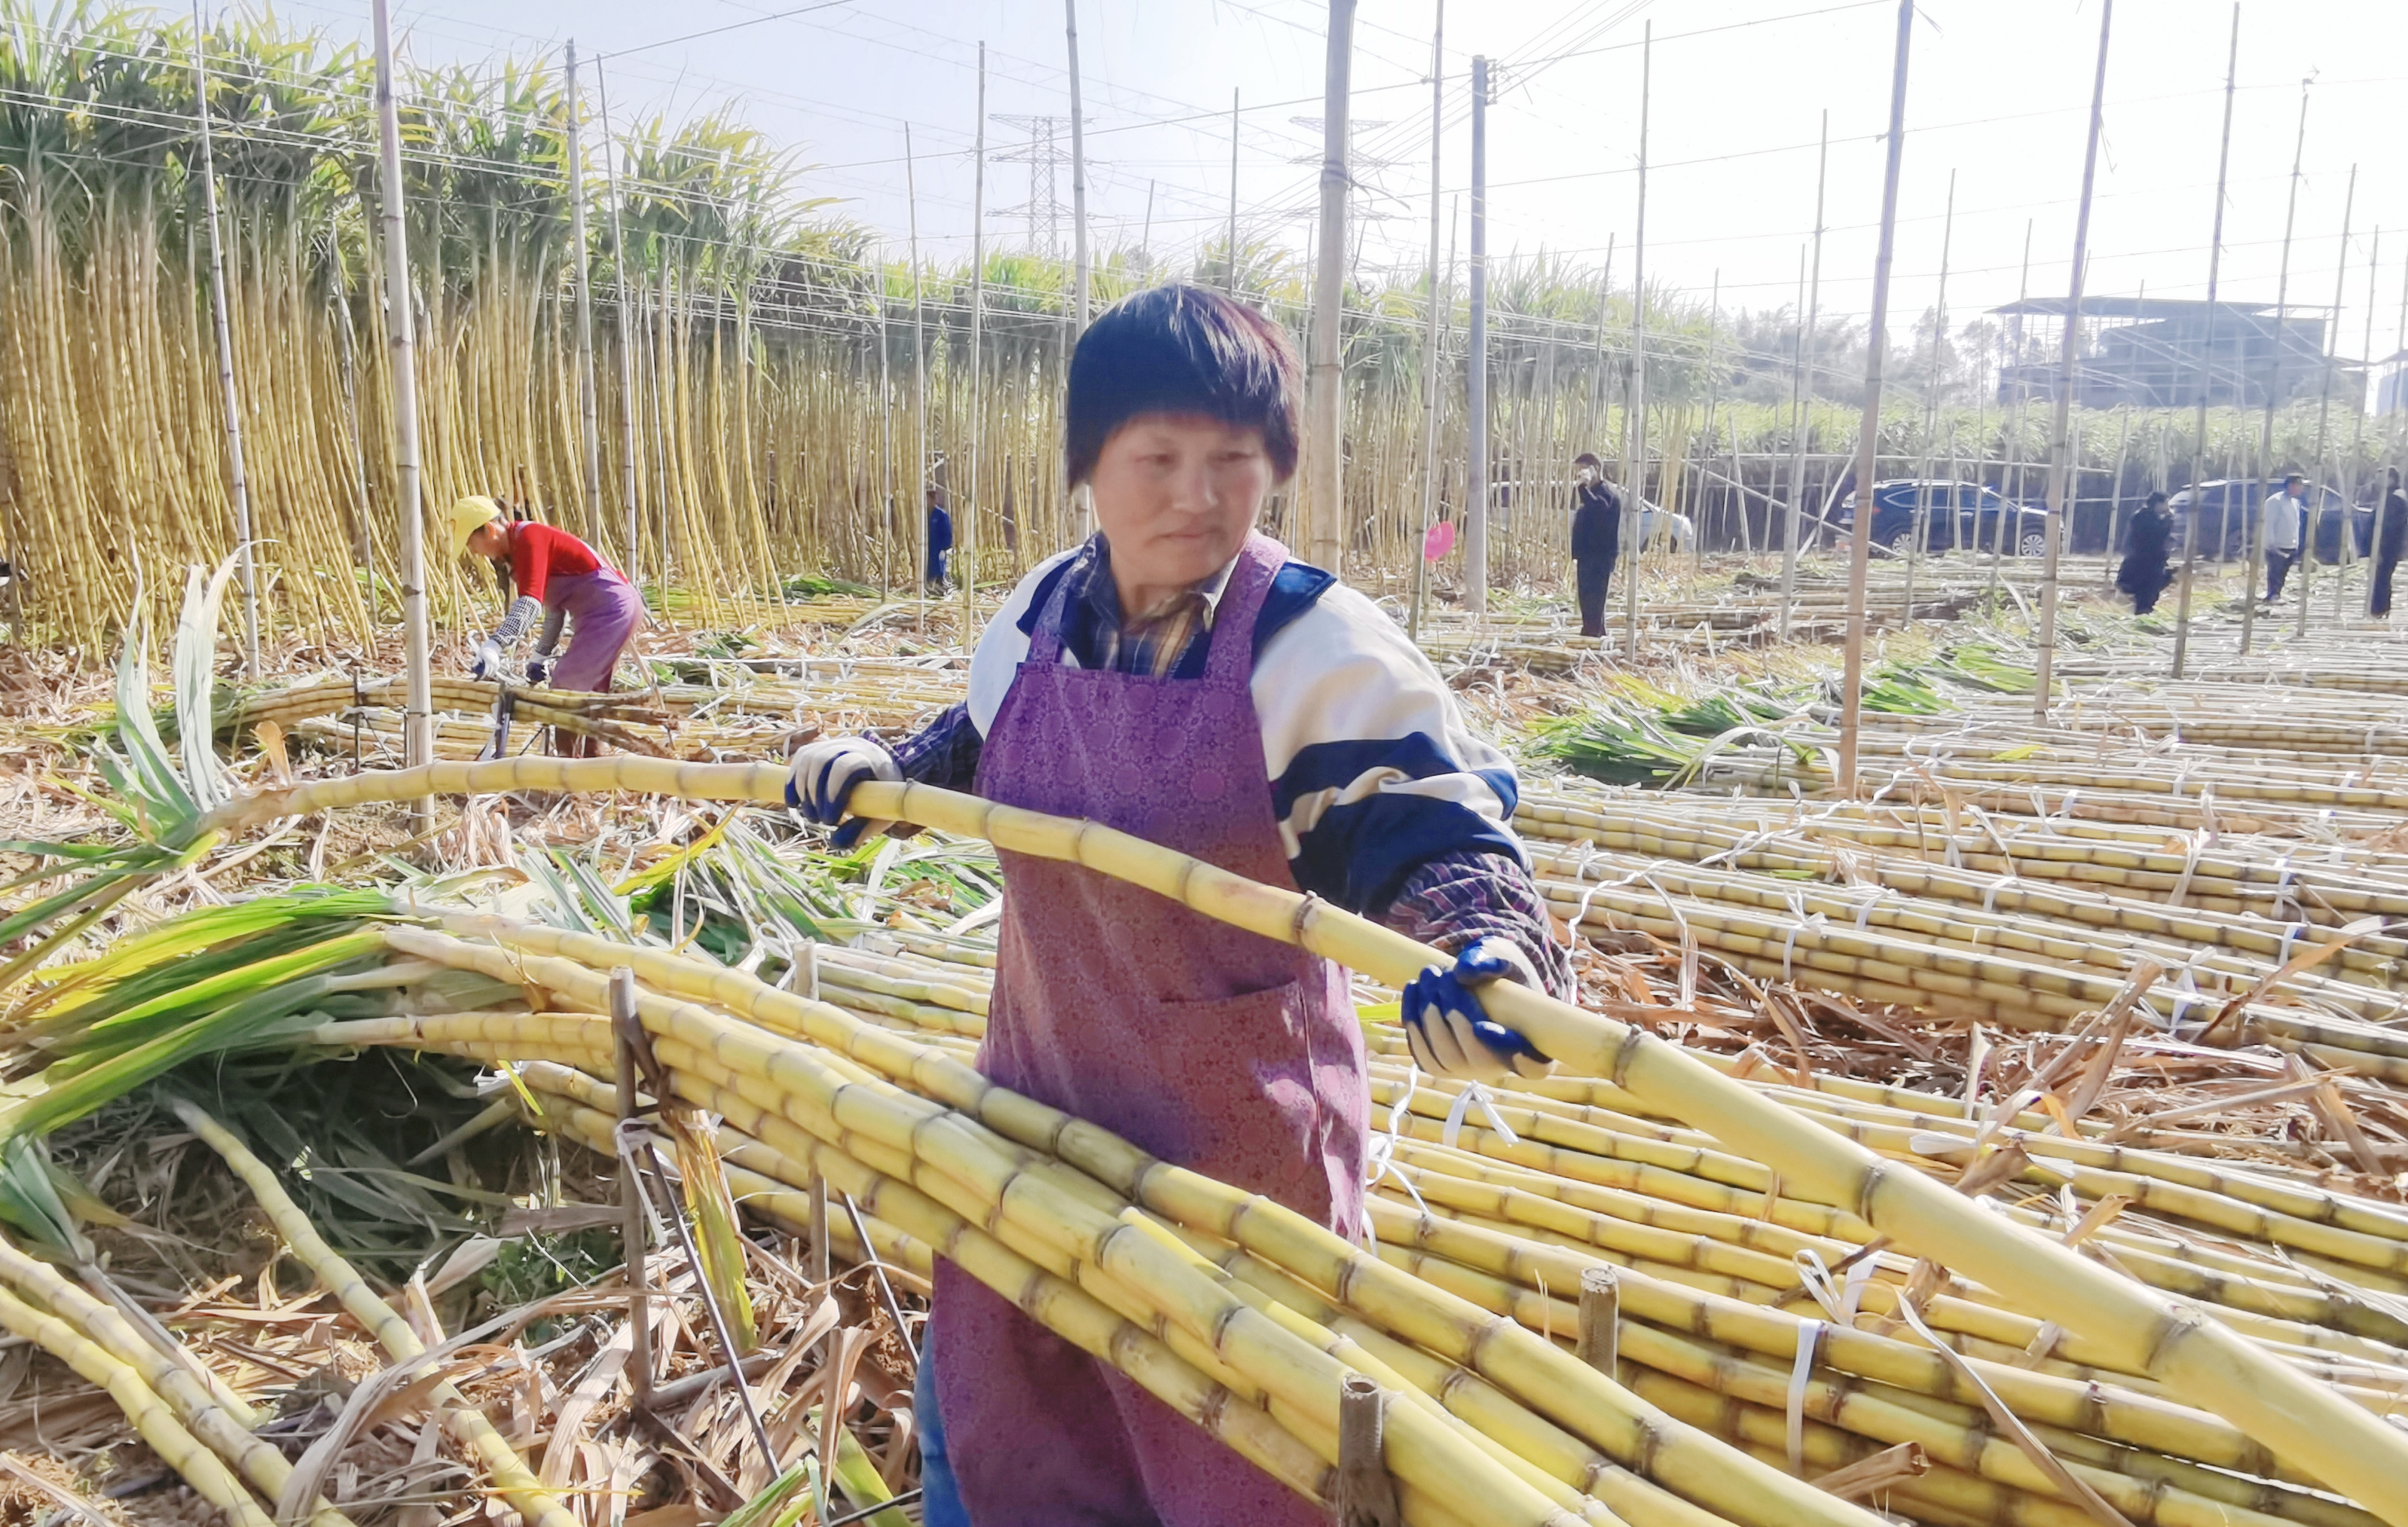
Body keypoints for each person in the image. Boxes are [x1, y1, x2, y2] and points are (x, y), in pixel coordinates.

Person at [786, 284, 1572, 1526]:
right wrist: (881, 773)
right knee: (1011, 1442)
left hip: (1235, 1172)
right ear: (1087, 466)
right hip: (1037, 1121)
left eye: (1234, 460)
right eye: (1157, 458)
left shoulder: (1312, 647)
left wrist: (1489, 952)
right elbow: (977, 742)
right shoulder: (1041, 613)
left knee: (1241, 1472)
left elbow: (1430, 836)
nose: (1196, 496)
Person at [448, 496, 642, 694]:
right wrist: (541, 655)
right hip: (605, 614)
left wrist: (495, 645)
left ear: (490, 530)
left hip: (613, 611)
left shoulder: (530, 538)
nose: (474, 552)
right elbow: (555, 608)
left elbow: (529, 605)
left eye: (471, 543)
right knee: (590, 693)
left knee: (567, 686)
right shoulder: (515, 553)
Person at [1569, 452, 1621, 639]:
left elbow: (1598, 509)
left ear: (1595, 469)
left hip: (1600, 556)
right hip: (1587, 555)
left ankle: (1594, 635)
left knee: (1595, 599)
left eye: (1583, 470)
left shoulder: (1606, 492)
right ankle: (1591, 632)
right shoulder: (1591, 494)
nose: (1580, 475)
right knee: (1586, 598)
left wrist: (1583, 488)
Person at [2116, 490, 2173, 616]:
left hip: (2153, 560)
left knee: (2156, 585)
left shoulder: (2152, 517)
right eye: (2166, 503)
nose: (2167, 507)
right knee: (2146, 589)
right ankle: (2143, 612)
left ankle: (2145, 610)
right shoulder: (2143, 517)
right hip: (2143, 561)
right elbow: (2153, 537)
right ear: (2158, 504)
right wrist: (2167, 522)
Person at [2261, 472, 2306, 604]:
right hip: (2276, 545)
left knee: (2283, 572)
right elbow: (2269, 523)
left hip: (2290, 544)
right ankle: (2272, 596)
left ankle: (2278, 594)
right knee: (2275, 572)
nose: (2301, 488)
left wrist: (2296, 543)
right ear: (2291, 485)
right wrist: (2270, 544)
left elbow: (2295, 524)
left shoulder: (2295, 503)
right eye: (2299, 485)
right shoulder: (2275, 501)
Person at [2374, 469, 2407, 619]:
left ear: (2391, 479)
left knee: (2381, 577)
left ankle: (2379, 609)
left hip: (2388, 545)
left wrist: (2380, 544)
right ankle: (2380, 609)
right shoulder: (2390, 496)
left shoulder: (2395, 498)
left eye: (2381, 478)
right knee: (2381, 577)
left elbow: (2390, 525)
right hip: (2388, 545)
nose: (2378, 482)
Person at [926, 487, 955, 594]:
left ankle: (940, 587)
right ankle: (929, 587)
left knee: (939, 566)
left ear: (933, 500)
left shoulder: (941, 515)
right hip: (927, 546)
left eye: (928, 499)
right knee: (928, 567)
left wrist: (946, 546)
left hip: (938, 547)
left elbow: (947, 531)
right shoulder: (924, 515)